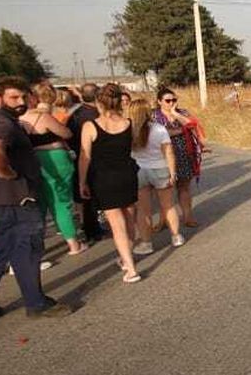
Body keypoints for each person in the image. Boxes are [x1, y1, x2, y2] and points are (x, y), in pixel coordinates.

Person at [0, 77, 71, 323]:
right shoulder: (2, 123)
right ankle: (36, 303)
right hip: (18, 200)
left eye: (24, 97)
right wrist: (8, 173)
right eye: (14, 97)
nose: (21, 102)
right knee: (27, 253)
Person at [78, 84, 141, 283]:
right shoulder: (129, 123)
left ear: (99, 102)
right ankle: (126, 257)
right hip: (127, 175)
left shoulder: (90, 126)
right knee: (130, 218)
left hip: (103, 178)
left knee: (117, 224)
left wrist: (82, 182)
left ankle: (130, 267)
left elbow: (84, 157)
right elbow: (130, 147)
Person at [23, 83, 84, 257]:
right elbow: (66, 134)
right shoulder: (44, 117)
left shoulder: (20, 119)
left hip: (33, 162)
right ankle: (73, 244)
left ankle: (37, 248)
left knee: (40, 205)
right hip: (55, 160)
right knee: (61, 202)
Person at [130, 99, 183, 254]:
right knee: (168, 205)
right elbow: (169, 152)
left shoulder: (129, 130)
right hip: (160, 168)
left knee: (143, 210)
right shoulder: (159, 129)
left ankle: (146, 243)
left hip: (139, 170)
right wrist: (173, 173)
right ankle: (176, 236)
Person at [153, 87, 206, 228]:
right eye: (167, 100)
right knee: (165, 190)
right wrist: (180, 130)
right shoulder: (153, 116)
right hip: (162, 157)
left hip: (184, 155)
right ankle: (163, 220)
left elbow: (192, 126)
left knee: (184, 187)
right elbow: (157, 135)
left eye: (174, 100)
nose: (171, 103)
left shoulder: (182, 113)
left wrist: (175, 114)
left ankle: (188, 217)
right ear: (159, 101)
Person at [67, 84, 104, 242]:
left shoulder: (76, 113)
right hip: (92, 158)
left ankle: (90, 227)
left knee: (86, 197)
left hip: (78, 156)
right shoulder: (94, 115)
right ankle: (93, 229)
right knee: (91, 196)